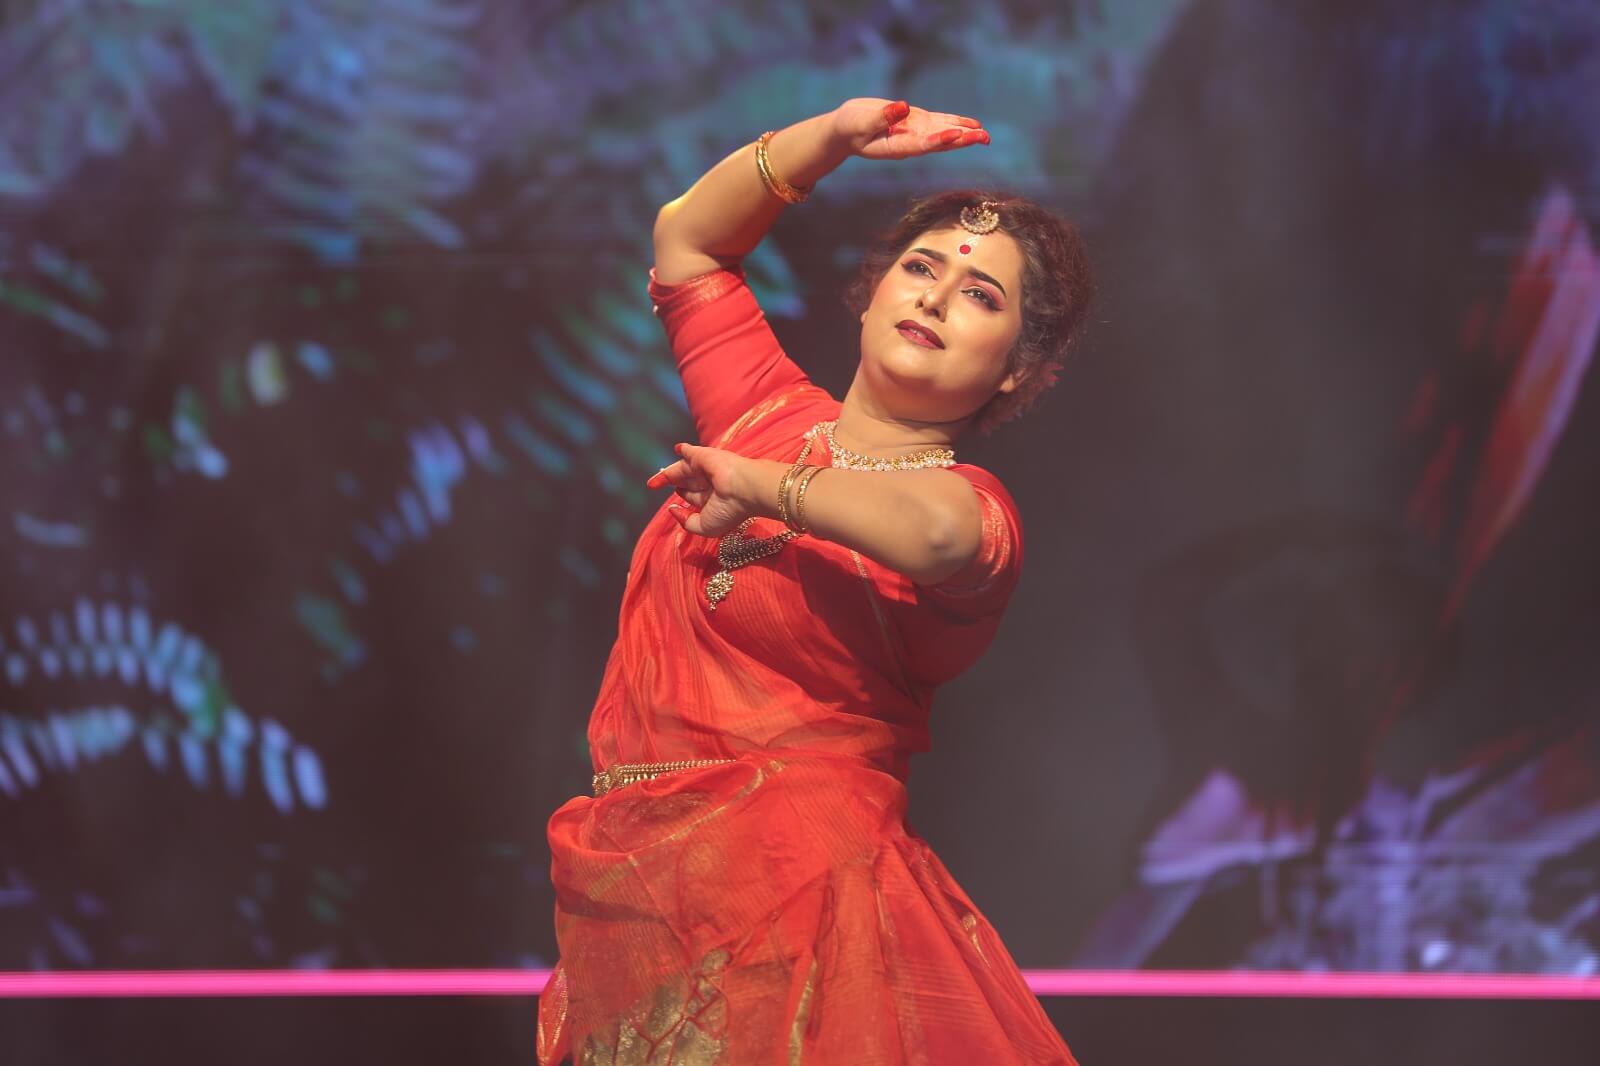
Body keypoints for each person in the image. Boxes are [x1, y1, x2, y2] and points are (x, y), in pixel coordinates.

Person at [537, 98, 1093, 1065]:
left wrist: (762, 488)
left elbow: (930, 537)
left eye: (980, 296)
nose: (934, 297)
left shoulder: (971, 509)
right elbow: (687, 242)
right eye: (920, 268)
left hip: (810, 919)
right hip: (648, 898)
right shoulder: (762, 416)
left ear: (1017, 369)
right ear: (870, 296)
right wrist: (831, 138)